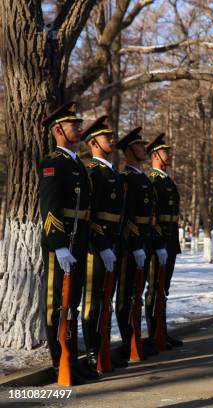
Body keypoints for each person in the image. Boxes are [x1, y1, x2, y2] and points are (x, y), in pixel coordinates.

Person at [39, 101, 94, 383]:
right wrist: (59, 244)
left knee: (72, 303)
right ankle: (60, 360)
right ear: (59, 129)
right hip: (62, 244)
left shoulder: (77, 164)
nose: (80, 129)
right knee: (56, 303)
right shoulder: (53, 163)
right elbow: (49, 208)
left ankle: (71, 358)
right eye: (75, 125)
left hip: (79, 240)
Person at [81, 116, 125, 373]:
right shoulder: (92, 172)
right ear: (94, 142)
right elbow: (91, 213)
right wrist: (101, 243)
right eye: (107, 137)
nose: (112, 140)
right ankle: (91, 352)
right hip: (96, 246)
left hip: (114, 242)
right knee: (93, 300)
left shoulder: (112, 173)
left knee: (107, 297)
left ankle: (104, 349)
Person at [114, 127, 160, 363]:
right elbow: (125, 216)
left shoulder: (143, 177)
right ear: (129, 151)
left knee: (138, 294)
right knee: (126, 295)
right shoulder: (126, 179)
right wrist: (135, 244)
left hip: (146, 240)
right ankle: (126, 342)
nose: (144, 149)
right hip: (131, 244)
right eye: (140, 146)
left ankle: (136, 340)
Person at [145, 133, 183, 350]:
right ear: (155, 155)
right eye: (165, 151)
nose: (169, 154)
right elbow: (153, 218)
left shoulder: (167, 180)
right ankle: (153, 334)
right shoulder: (153, 180)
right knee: (154, 288)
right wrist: (159, 243)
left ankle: (162, 331)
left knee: (163, 289)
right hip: (159, 242)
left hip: (170, 241)